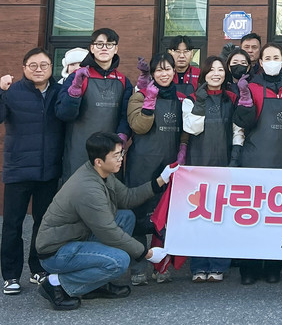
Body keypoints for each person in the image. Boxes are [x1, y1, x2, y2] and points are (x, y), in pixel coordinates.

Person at [35, 132, 173, 310]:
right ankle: (56, 284)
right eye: (116, 155)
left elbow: (128, 198)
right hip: (56, 252)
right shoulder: (88, 188)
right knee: (119, 261)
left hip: (76, 237)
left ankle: (94, 285)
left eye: (121, 153)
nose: (121, 159)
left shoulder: (101, 172)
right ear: (99, 161)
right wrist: (146, 253)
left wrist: (161, 180)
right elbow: (109, 232)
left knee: (125, 217)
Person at [233, 43, 282, 285]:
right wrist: (244, 101)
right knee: (251, 217)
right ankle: (248, 268)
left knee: (279, 218)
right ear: (260, 62)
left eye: (276, 57)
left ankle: (273, 266)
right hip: (255, 159)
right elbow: (243, 123)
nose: (272, 61)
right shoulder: (251, 87)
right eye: (267, 58)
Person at [0, 49, 64, 295]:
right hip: (18, 169)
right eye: (33, 65)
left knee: (43, 223)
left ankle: (38, 268)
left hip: (48, 170)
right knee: (12, 224)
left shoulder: (59, 92)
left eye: (44, 65)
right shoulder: (12, 92)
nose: (39, 69)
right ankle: (10, 275)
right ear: (24, 67)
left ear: (51, 67)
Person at [125, 53, 187, 286]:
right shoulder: (139, 96)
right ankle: (138, 267)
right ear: (152, 73)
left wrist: (183, 148)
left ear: (174, 71)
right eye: (159, 70)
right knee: (138, 216)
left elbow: (186, 130)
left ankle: (161, 267)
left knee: (165, 218)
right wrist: (149, 101)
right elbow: (139, 127)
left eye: (167, 69)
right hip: (141, 165)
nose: (164, 74)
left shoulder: (182, 98)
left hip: (168, 164)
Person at [183, 56, 243, 282]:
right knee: (199, 216)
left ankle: (219, 265)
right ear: (204, 73)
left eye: (220, 70)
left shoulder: (232, 98)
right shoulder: (191, 99)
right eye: (211, 70)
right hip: (198, 164)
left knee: (222, 217)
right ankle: (198, 265)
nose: (216, 74)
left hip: (224, 162)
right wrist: (200, 101)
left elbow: (238, 130)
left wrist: (235, 157)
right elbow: (192, 128)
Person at [56, 28, 134, 184]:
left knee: (110, 193)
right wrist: (75, 90)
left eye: (109, 44)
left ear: (116, 49)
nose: (104, 48)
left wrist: (122, 137)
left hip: (110, 153)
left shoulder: (123, 82)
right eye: (99, 44)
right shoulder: (77, 76)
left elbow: (126, 116)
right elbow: (63, 114)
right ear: (92, 48)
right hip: (78, 151)